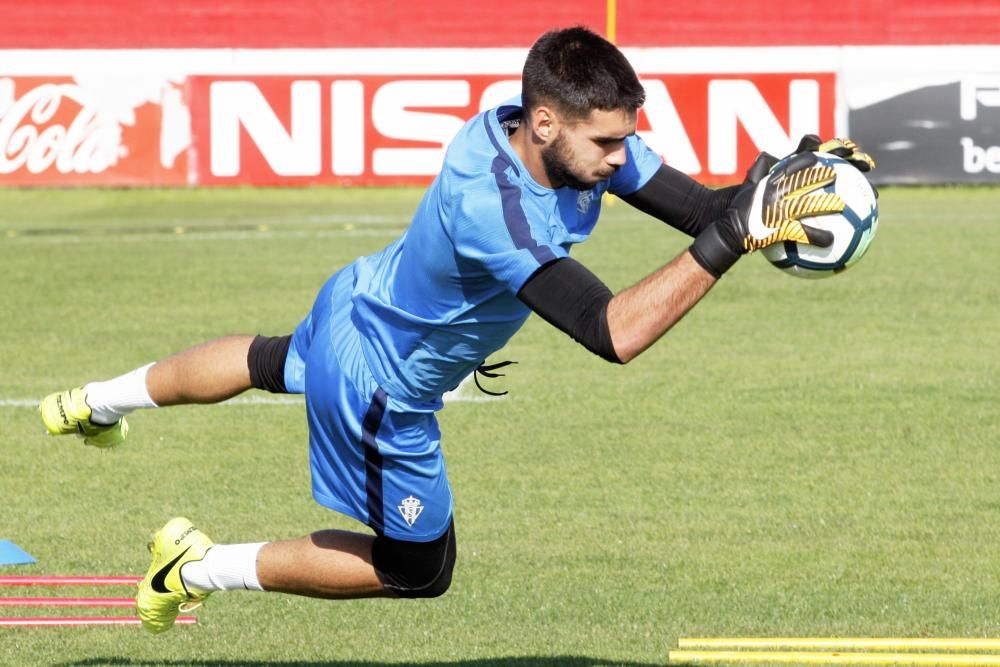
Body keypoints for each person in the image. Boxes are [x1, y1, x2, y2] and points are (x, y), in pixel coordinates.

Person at [38, 26, 875, 634]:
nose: (624, 157)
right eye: (610, 142)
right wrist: (736, 236)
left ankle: (97, 401)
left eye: (626, 138)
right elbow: (609, 328)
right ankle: (192, 566)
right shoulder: (494, 211)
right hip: (380, 384)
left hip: (361, 297)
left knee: (266, 358)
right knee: (417, 570)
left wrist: (782, 177)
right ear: (546, 125)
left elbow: (697, 208)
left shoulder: (536, 124)